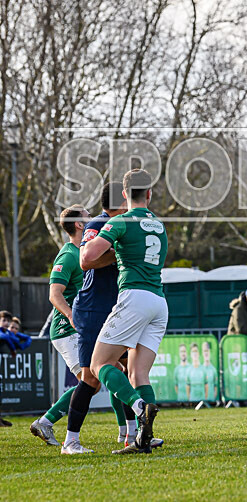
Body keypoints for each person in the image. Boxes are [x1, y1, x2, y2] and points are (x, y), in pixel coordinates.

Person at [84, 169, 169, 454]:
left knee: (99, 365)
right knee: (138, 374)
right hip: (159, 302)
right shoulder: (158, 224)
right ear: (149, 193)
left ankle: (139, 407)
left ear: (124, 194)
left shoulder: (120, 221)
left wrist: (111, 247)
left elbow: (87, 257)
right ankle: (143, 440)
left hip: (134, 297)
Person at [62, 181, 141, 454]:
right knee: (91, 378)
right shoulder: (98, 222)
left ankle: (133, 436)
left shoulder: (126, 224)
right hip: (94, 308)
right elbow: (87, 261)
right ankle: (70, 440)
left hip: (116, 308)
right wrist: (118, 253)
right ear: (121, 200)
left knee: (128, 370)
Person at [30, 205, 89, 448]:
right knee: (89, 381)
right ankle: (46, 422)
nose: (92, 218)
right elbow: (54, 294)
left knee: (95, 379)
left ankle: (125, 433)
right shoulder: (68, 255)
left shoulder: (84, 251)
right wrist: (71, 316)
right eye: (88, 215)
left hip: (80, 328)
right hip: (66, 329)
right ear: (79, 225)